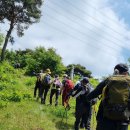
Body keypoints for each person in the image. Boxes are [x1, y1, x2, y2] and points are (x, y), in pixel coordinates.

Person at [85, 63, 130, 130]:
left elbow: (91, 95)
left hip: (105, 119)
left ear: (116, 71)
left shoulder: (109, 80)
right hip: (123, 121)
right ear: (126, 72)